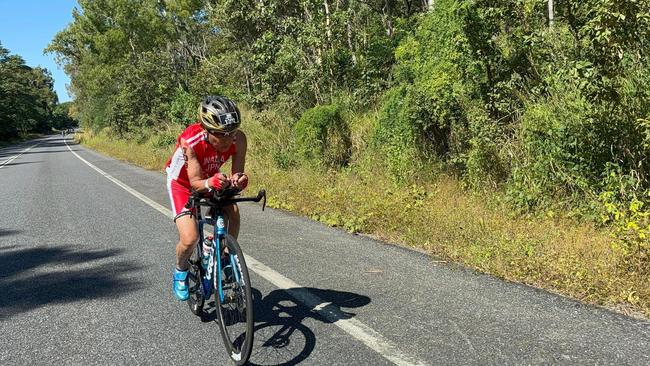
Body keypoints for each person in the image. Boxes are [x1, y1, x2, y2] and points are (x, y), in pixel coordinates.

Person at [165, 95, 249, 301]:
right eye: (222, 135)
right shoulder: (190, 142)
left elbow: (237, 171)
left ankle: (225, 256)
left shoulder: (239, 138)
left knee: (233, 211)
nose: (229, 140)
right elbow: (195, 182)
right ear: (207, 131)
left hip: (211, 177)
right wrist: (211, 182)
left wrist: (238, 179)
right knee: (190, 238)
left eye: (232, 132)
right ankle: (181, 271)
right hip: (183, 184)